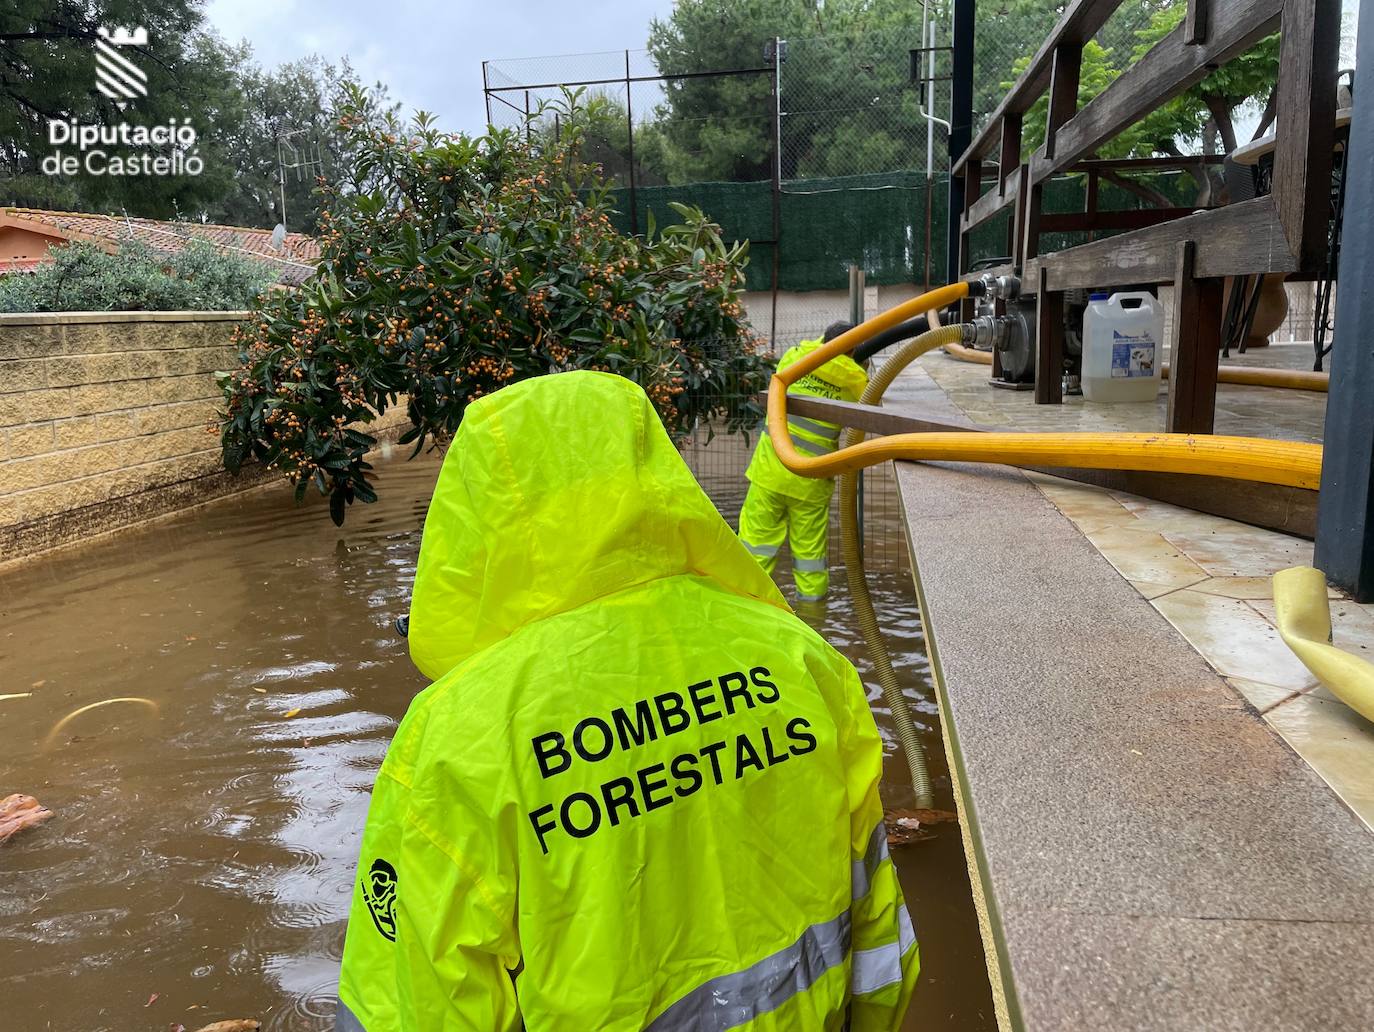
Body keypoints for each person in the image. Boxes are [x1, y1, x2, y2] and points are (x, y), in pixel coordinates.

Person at [335, 371, 917, 1031]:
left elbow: (407, 1003)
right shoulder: (804, 661)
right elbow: (878, 939)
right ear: (653, 473)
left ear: (476, 509)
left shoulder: (457, 735)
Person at [738, 321, 868, 602]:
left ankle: (745, 604)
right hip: (810, 483)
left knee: (753, 550)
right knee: (810, 560)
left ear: (824, 339)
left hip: (770, 474)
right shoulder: (856, 383)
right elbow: (871, 411)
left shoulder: (794, 358)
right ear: (854, 349)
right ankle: (814, 620)